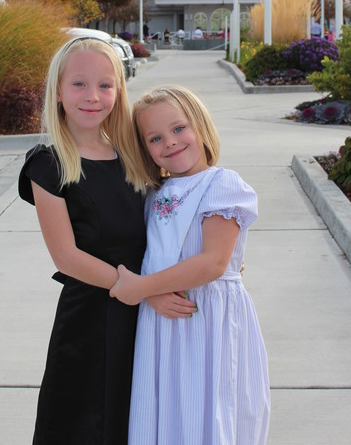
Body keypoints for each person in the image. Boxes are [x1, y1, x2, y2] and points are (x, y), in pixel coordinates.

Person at [18, 39, 194, 444]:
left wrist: (218, 254)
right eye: (79, 84)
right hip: (91, 320)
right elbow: (66, 256)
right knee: (84, 424)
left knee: (141, 421)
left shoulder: (134, 154)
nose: (93, 97)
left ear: (119, 90)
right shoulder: (49, 163)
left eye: (105, 85)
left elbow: (173, 211)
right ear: (58, 92)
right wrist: (143, 291)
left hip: (148, 314)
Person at [110, 85, 270, 445]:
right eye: (155, 138)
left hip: (208, 315)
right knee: (166, 409)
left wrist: (139, 289)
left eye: (179, 128)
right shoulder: (152, 195)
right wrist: (150, 296)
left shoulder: (221, 185)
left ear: (200, 125)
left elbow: (213, 262)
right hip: (159, 321)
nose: (170, 142)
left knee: (211, 408)